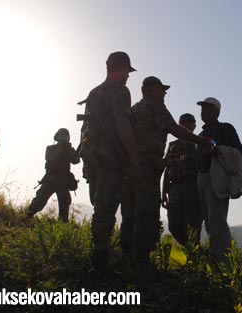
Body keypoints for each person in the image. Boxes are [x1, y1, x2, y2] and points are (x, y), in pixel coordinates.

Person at [129, 76, 213, 267]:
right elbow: (173, 128)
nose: (165, 94)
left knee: (135, 210)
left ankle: (134, 255)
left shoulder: (134, 109)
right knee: (148, 212)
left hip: (136, 167)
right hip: (149, 166)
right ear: (151, 89)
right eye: (162, 89)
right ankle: (142, 261)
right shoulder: (154, 106)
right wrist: (201, 142)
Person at [79, 51, 137, 273]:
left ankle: (99, 255)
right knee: (106, 207)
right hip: (111, 159)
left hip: (94, 157)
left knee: (99, 205)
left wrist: (86, 158)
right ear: (120, 67)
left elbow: (85, 128)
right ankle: (99, 262)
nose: (128, 76)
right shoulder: (120, 90)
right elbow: (122, 122)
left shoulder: (94, 93)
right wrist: (132, 155)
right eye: (127, 71)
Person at [196, 97, 242, 261]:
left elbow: (240, 152)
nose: (203, 110)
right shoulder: (201, 134)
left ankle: (223, 263)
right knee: (210, 223)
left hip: (215, 178)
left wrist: (217, 150)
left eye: (207, 108)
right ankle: (216, 259)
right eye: (202, 108)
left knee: (217, 223)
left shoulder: (225, 129)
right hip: (201, 177)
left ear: (217, 111)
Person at [161, 113, 203, 246]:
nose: (187, 124)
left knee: (193, 225)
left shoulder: (199, 142)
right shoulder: (172, 145)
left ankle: (194, 256)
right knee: (174, 225)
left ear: (194, 125)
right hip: (175, 189)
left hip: (194, 188)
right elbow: (166, 169)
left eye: (190, 122)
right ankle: (190, 249)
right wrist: (163, 193)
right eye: (184, 122)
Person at [26, 128, 80, 222]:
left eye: (65, 136)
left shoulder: (69, 150)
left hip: (63, 181)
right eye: (62, 135)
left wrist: (72, 150)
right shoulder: (51, 148)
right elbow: (49, 158)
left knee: (64, 205)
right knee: (39, 200)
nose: (63, 137)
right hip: (50, 179)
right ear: (57, 137)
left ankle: (62, 226)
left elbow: (76, 160)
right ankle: (26, 216)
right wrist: (63, 149)